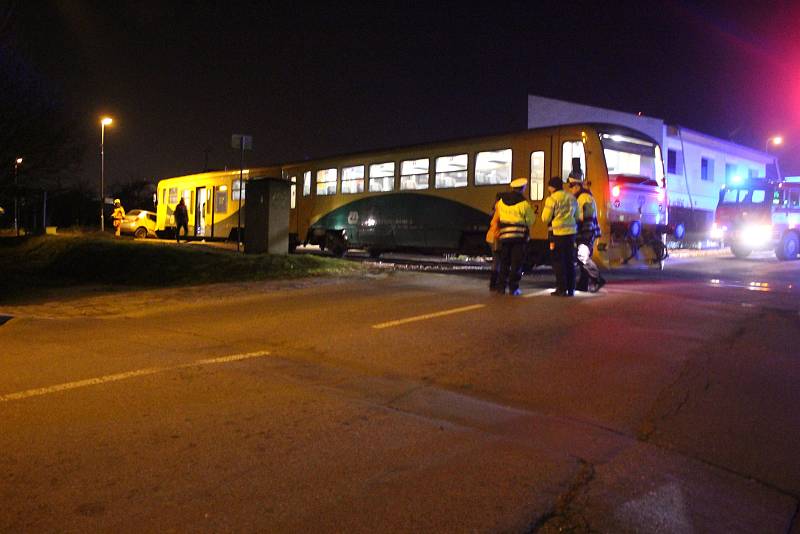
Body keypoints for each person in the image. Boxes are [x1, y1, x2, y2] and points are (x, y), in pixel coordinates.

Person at [493, 177, 535, 296]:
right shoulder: (524, 203)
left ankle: (501, 287)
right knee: (516, 263)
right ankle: (513, 288)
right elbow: (530, 220)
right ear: (523, 188)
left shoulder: (501, 202)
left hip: (504, 236)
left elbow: (498, 215)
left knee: (504, 262)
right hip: (518, 237)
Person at [567, 174, 606, 292]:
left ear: (578, 186)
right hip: (586, 231)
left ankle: (597, 278)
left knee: (582, 257)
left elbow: (587, 215)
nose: (571, 189)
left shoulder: (584, 197)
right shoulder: (583, 196)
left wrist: (575, 219)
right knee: (581, 258)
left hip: (586, 232)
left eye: (573, 186)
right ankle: (583, 284)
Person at [541, 176, 578, 297]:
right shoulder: (572, 197)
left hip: (558, 234)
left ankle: (561, 289)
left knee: (558, 261)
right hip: (571, 233)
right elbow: (577, 216)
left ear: (552, 187)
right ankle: (571, 289)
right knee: (569, 261)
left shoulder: (551, 199)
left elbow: (545, 218)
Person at [486, 193, 502, 291]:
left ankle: (494, 283)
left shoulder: (495, 208)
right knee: (497, 261)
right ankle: (494, 283)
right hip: (496, 237)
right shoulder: (500, 208)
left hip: (492, 237)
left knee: (497, 260)